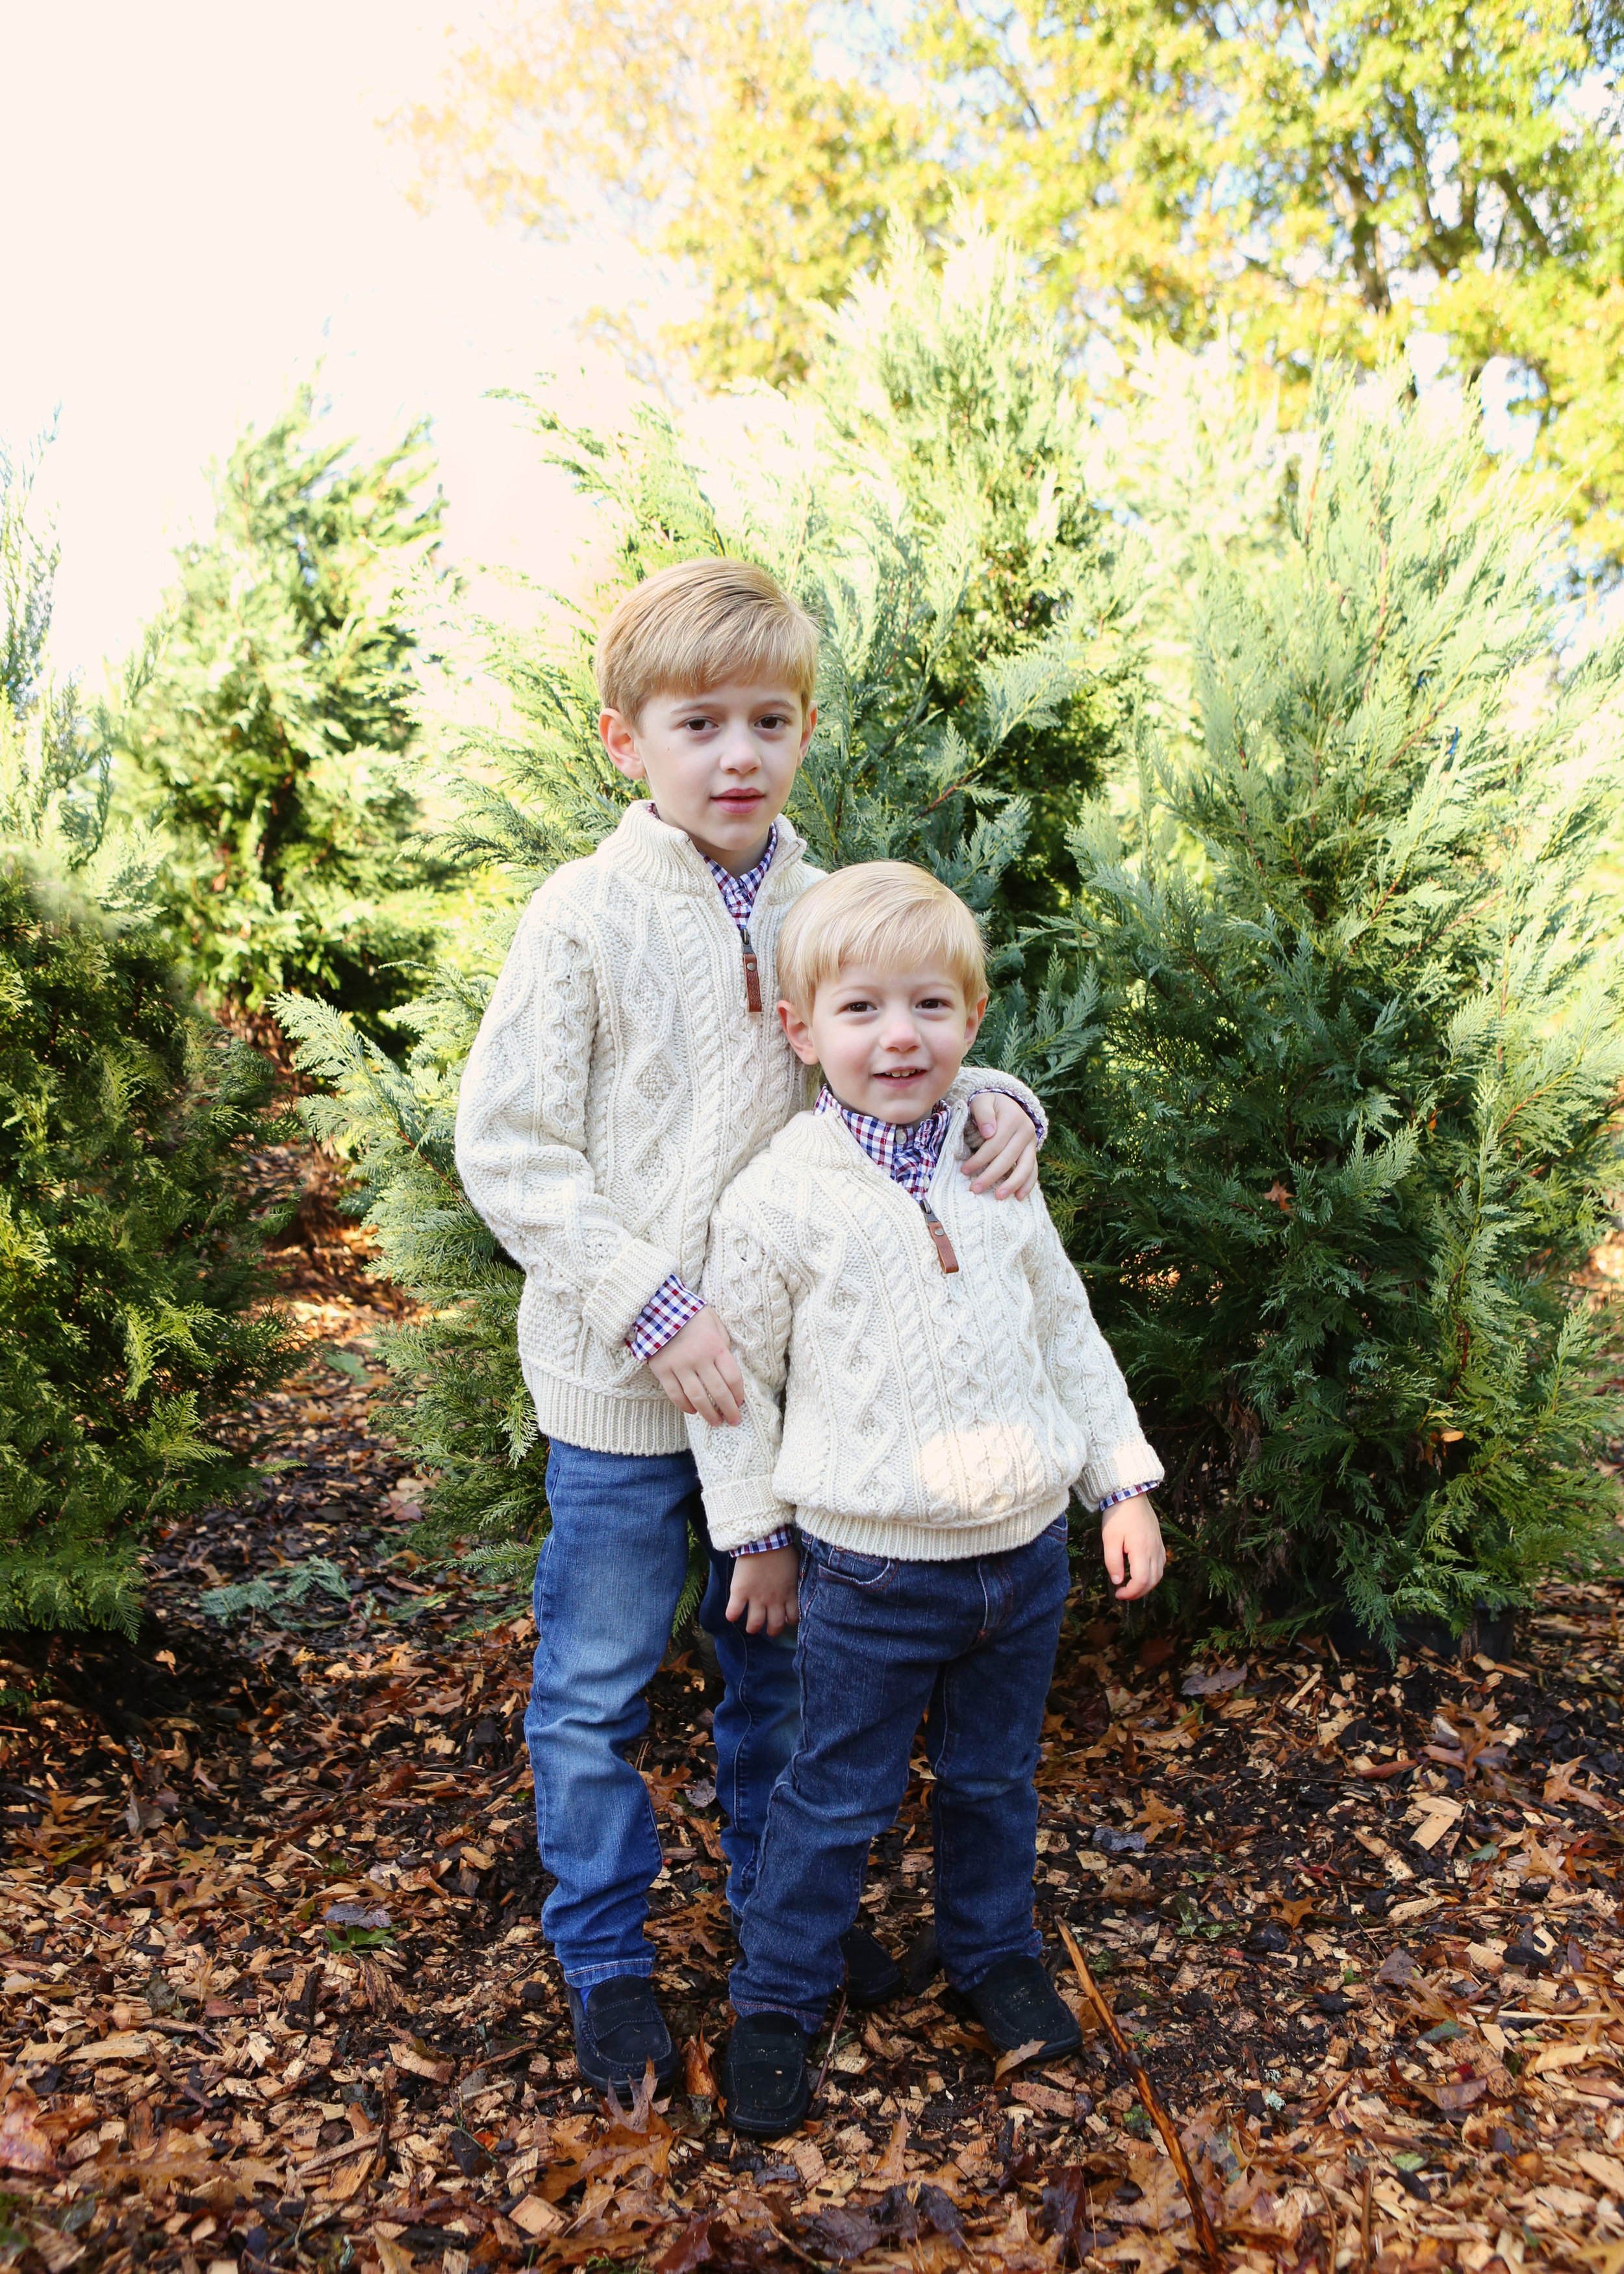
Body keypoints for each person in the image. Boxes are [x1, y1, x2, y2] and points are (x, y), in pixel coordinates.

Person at [453, 561, 1050, 2097]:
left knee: (770, 1674)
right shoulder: (581, 916)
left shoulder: (817, 904)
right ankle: (605, 1958)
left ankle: (774, 1927)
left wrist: (1000, 1104)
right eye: (697, 720)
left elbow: (897, 1034)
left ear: (799, 733)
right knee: (594, 1688)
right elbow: (509, 1146)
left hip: (784, 1398)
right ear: (623, 741)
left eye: (769, 720)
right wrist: (648, 1305)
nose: (737, 752)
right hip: (619, 1385)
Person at [685, 860, 1168, 2136]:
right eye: (858, 1011)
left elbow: (1063, 1333)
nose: (897, 1037)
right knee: (830, 1794)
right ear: (800, 1030)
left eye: (928, 1008)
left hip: (1022, 1564)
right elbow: (732, 1384)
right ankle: (779, 2000)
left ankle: (992, 1952)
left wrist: (1115, 1480)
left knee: (991, 1780)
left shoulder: (995, 1164)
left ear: (970, 1015)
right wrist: (757, 1537)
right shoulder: (781, 1198)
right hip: (870, 1574)